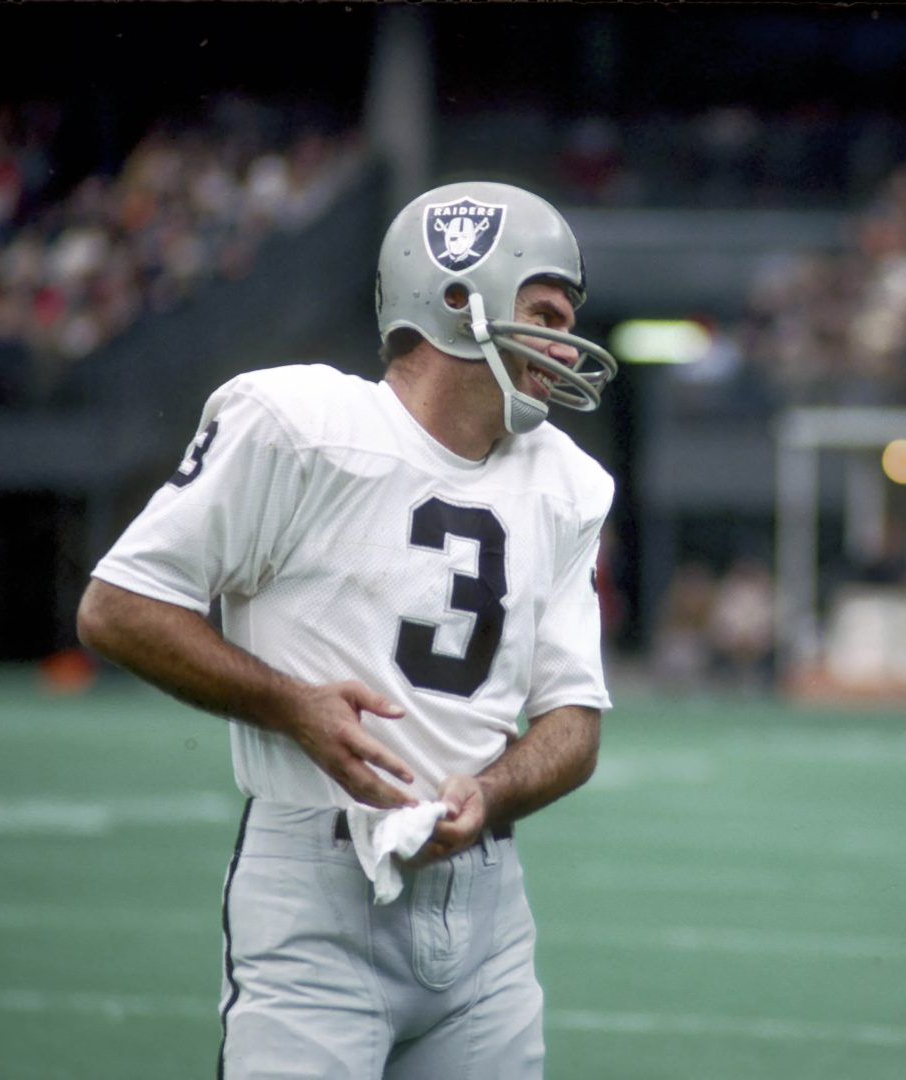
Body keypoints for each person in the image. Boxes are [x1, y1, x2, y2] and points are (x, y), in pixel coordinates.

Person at [75, 180, 619, 1078]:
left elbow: (573, 724)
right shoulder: (301, 425)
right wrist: (290, 706)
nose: (562, 347)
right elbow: (119, 605)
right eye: (546, 314)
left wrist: (490, 794)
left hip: (487, 912)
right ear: (459, 299)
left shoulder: (564, 483)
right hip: (314, 892)